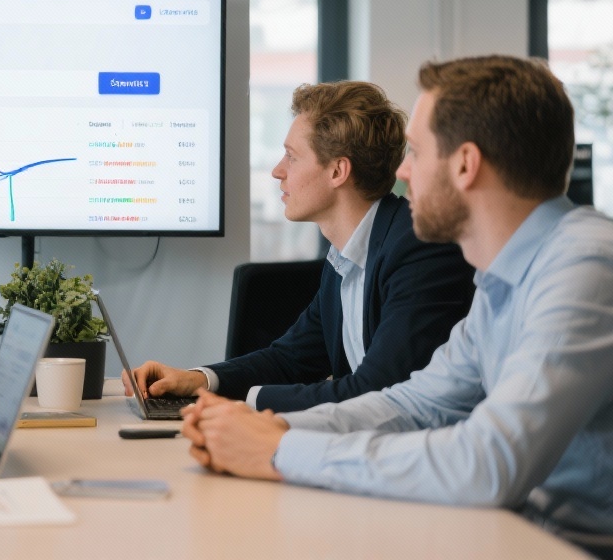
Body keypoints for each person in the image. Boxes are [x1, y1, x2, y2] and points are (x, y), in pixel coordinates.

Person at [182, 56, 613, 551]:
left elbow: (490, 462)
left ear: (465, 164)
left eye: (417, 152)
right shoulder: (502, 280)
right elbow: (414, 404)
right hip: (521, 534)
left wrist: (281, 449)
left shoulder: (585, 266)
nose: (402, 171)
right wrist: (267, 428)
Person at [126, 81, 474, 412]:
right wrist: (198, 380)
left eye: (291, 157)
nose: (278, 171)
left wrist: (245, 405)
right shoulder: (344, 258)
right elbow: (290, 360)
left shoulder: (419, 248)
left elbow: (377, 390)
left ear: (337, 171)